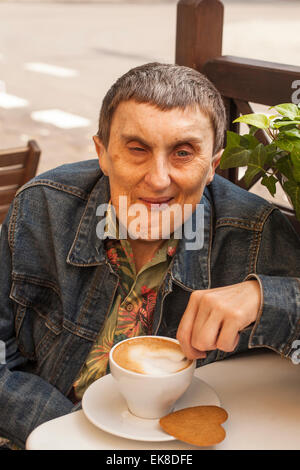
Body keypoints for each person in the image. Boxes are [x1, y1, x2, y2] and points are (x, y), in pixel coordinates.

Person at [0, 62, 299, 449]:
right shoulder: (42, 207)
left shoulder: (256, 232)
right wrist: (69, 433)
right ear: (102, 153)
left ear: (212, 166)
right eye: (137, 149)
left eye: (183, 153)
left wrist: (266, 298)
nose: (158, 179)